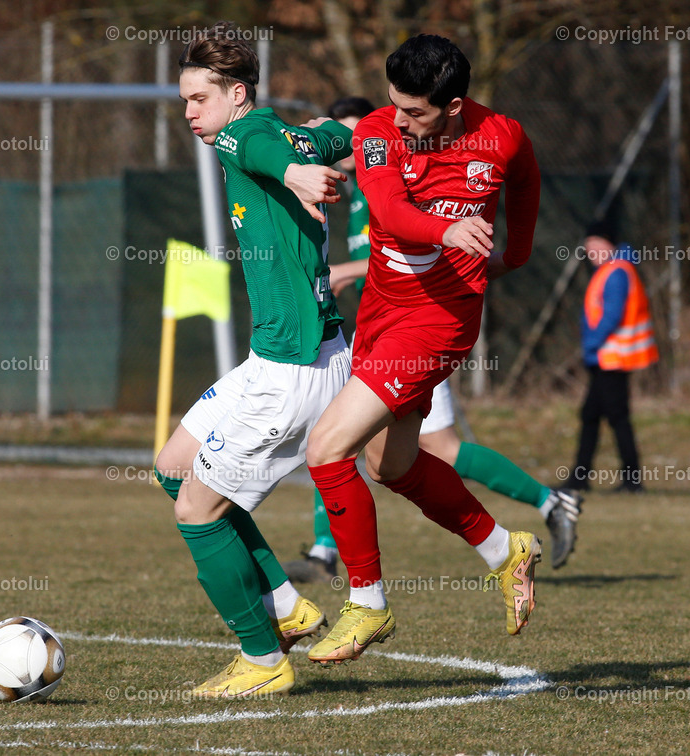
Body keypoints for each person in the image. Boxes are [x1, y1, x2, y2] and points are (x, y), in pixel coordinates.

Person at [303, 35, 546, 667]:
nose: (401, 121)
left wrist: (515, 254)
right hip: (384, 312)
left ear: (455, 105)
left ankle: (367, 604)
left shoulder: (502, 136)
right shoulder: (381, 132)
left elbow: (526, 178)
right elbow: (386, 208)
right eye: (394, 105)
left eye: (415, 112)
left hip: (437, 323)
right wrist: (448, 227)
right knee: (392, 465)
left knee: (327, 448)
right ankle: (505, 551)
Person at [283, 97, 581, 584]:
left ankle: (546, 502)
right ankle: (506, 545)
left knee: (397, 446)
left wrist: (503, 249)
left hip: (422, 329)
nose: (351, 148)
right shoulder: (360, 189)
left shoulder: (412, 167)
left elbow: (413, 230)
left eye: (354, 137)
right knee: (383, 461)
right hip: (379, 329)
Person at [152, 21, 355, 698]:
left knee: (197, 512)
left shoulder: (245, 135)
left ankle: (263, 660)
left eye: (197, 100)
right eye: (183, 101)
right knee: (174, 467)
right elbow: (332, 134)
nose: (188, 115)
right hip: (274, 358)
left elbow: (271, 151)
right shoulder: (280, 131)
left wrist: (300, 174)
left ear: (236, 95)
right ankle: (285, 602)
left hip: (294, 371)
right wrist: (357, 136)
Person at [560, 223, 659, 493]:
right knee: (592, 415)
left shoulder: (616, 272)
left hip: (612, 357)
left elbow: (612, 316)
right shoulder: (611, 270)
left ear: (610, 244)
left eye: (596, 243)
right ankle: (583, 477)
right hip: (606, 357)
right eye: (588, 244)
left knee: (616, 417)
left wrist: (591, 344)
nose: (590, 249)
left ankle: (631, 481)